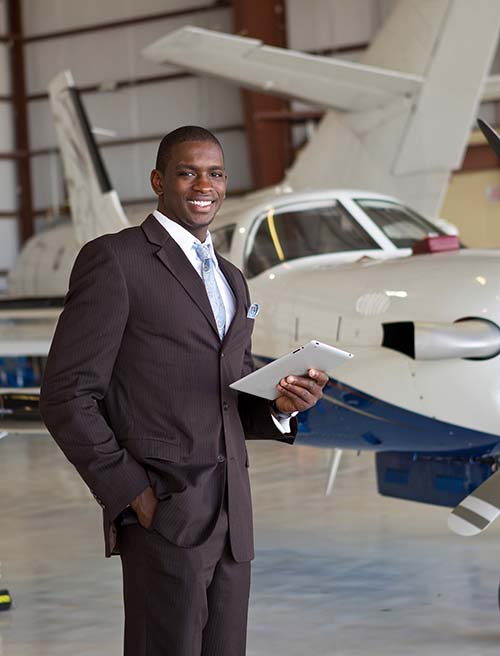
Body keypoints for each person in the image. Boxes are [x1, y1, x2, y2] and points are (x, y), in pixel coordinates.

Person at [39, 125, 328, 656]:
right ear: (158, 180)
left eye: (215, 173)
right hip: (164, 511)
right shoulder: (116, 260)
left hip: (233, 517)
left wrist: (282, 407)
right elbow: (65, 395)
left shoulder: (232, 279)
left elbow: (229, 396)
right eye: (187, 171)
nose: (204, 184)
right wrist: (132, 493)